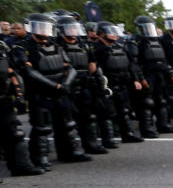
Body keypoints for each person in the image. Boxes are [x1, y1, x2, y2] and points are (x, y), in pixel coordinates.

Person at [11, 13, 92, 169]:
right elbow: (29, 72)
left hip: (61, 91)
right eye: (39, 26)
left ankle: (71, 152)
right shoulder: (22, 47)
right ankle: (40, 158)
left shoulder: (56, 45)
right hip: (40, 93)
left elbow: (69, 67)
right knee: (42, 128)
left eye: (46, 27)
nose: (43, 30)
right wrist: (55, 86)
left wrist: (66, 84)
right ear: (31, 28)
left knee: (67, 124)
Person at [55, 15, 108, 154]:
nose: (73, 30)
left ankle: (91, 144)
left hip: (84, 84)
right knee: (66, 121)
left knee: (88, 116)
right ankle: (68, 151)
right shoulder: (57, 45)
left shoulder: (84, 44)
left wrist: (93, 79)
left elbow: (92, 63)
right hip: (67, 86)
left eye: (74, 27)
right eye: (69, 28)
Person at [93, 21, 144, 144]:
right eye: (110, 32)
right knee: (107, 113)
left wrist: (135, 79)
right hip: (107, 85)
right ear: (101, 34)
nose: (114, 35)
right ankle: (108, 139)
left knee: (124, 110)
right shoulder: (97, 49)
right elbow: (95, 69)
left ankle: (127, 134)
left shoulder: (119, 47)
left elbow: (131, 65)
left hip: (122, 84)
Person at [0, 38, 43, 176]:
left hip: (3, 98)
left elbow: (11, 71)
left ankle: (21, 166)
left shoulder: (2, 47)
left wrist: (19, 94)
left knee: (15, 133)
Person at [134, 15, 173, 136]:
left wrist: (171, 74)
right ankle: (146, 129)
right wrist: (141, 78)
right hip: (148, 75)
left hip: (160, 75)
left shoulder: (157, 41)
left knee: (162, 101)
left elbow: (164, 60)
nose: (148, 30)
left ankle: (163, 125)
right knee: (147, 102)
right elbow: (135, 63)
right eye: (146, 28)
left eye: (150, 27)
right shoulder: (137, 42)